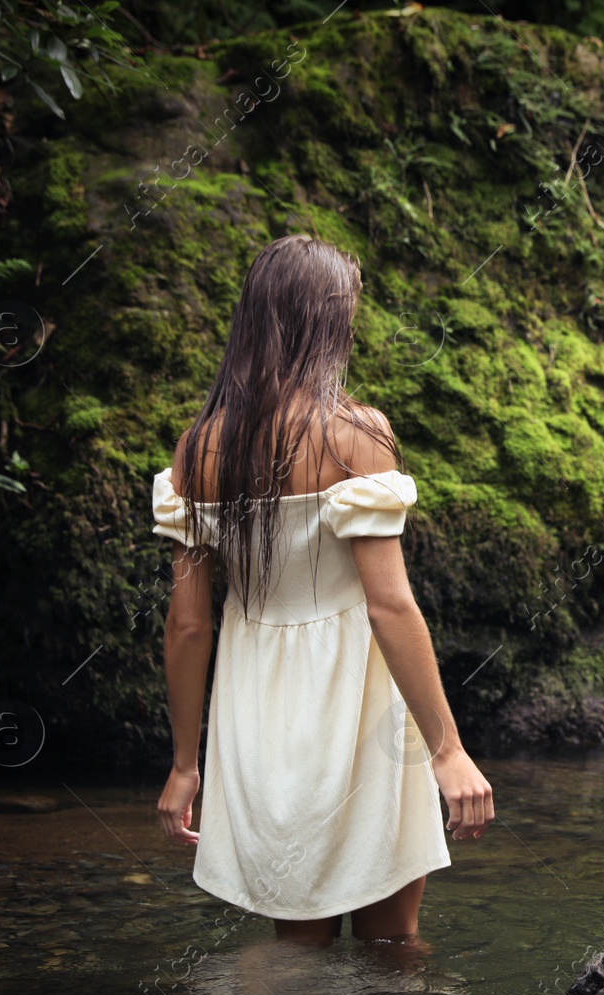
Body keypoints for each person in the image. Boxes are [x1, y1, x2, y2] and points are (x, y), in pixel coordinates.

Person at [149, 233, 493, 948]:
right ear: (331, 322)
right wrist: (447, 748)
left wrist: (187, 764)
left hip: (256, 708)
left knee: (296, 950)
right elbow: (389, 603)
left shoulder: (198, 449)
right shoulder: (356, 435)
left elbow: (188, 627)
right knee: (393, 942)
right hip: (358, 697)